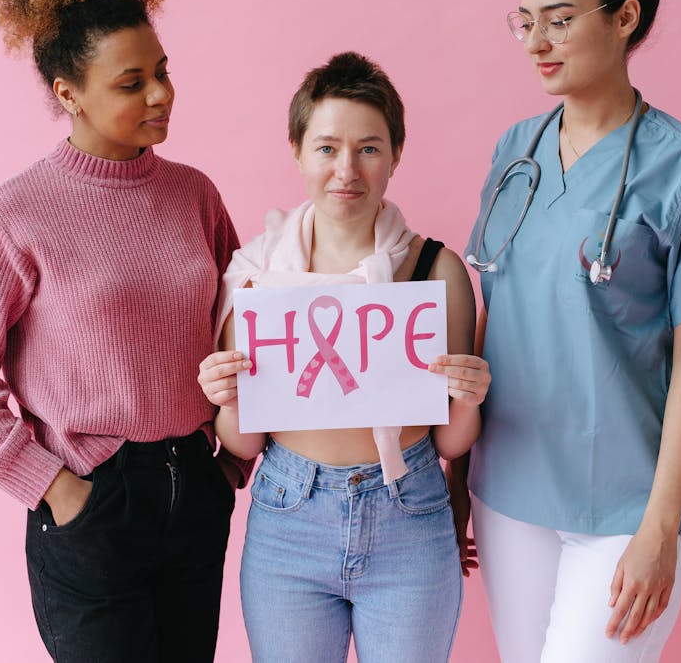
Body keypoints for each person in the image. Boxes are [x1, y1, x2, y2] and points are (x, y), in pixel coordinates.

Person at [0, 0, 248, 663]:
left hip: (193, 489)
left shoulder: (194, 195)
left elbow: (245, 329)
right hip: (92, 503)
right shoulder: (15, 214)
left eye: (162, 71)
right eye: (131, 83)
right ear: (69, 93)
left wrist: (230, 464)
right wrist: (53, 486)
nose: (161, 93)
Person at [453, 0, 681, 662]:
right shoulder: (515, 147)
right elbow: (499, 313)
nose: (536, 42)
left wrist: (660, 524)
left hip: (626, 501)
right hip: (509, 487)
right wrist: (458, 472)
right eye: (525, 22)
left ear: (624, 19)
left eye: (559, 20)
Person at [196, 52, 491, 663]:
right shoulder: (255, 277)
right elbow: (245, 446)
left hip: (409, 512)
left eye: (369, 148)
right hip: (288, 515)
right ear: (298, 151)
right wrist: (225, 399)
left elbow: (451, 441)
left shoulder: (436, 269)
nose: (346, 170)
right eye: (327, 148)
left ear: (395, 156)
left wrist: (468, 394)